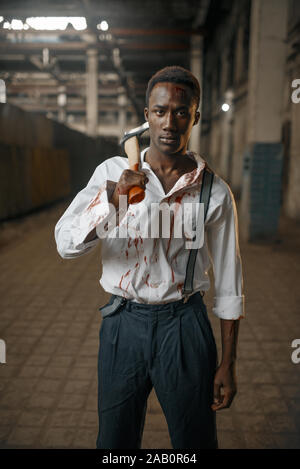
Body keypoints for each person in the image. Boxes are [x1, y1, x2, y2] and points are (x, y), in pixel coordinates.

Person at [54, 65, 245, 449]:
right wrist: (114, 199)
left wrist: (228, 362)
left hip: (185, 325)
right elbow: (66, 244)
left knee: (195, 441)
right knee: (115, 442)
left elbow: (229, 283)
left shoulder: (214, 192)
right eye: (160, 111)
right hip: (123, 324)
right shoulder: (112, 172)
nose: (169, 122)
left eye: (180, 112)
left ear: (195, 116)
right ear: (147, 116)